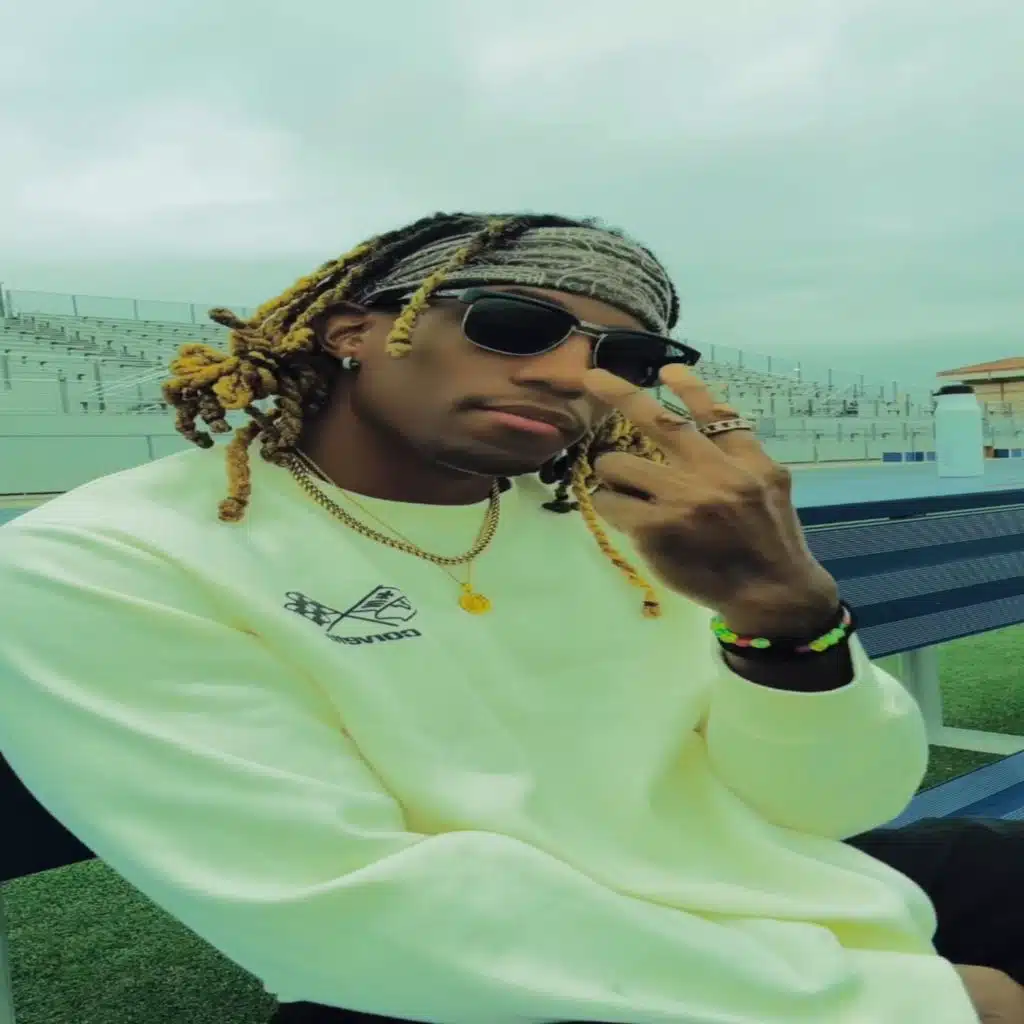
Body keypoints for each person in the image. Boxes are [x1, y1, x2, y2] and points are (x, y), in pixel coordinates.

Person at [0, 211, 1021, 1024]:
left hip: (755, 893)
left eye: (623, 355)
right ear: (350, 331)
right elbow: (351, 905)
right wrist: (894, 1003)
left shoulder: (619, 526)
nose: (568, 373)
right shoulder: (108, 560)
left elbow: (833, 804)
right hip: (457, 982)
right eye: (511, 325)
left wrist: (786, 617)